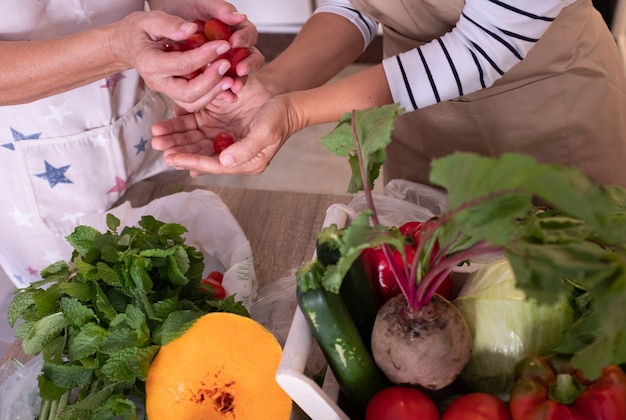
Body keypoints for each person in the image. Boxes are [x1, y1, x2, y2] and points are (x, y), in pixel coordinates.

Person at [151, 0, 626, 192]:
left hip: (547, 112)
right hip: (417, 110)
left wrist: (295, 112)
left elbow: (482, 48)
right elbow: (355, 7)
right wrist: (272, 87)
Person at [0, 0, 263, 287]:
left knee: (179, 268)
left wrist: (175, 8)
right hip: (36, 172)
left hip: (146, 127)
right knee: (79, 295)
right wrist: (116, 48)